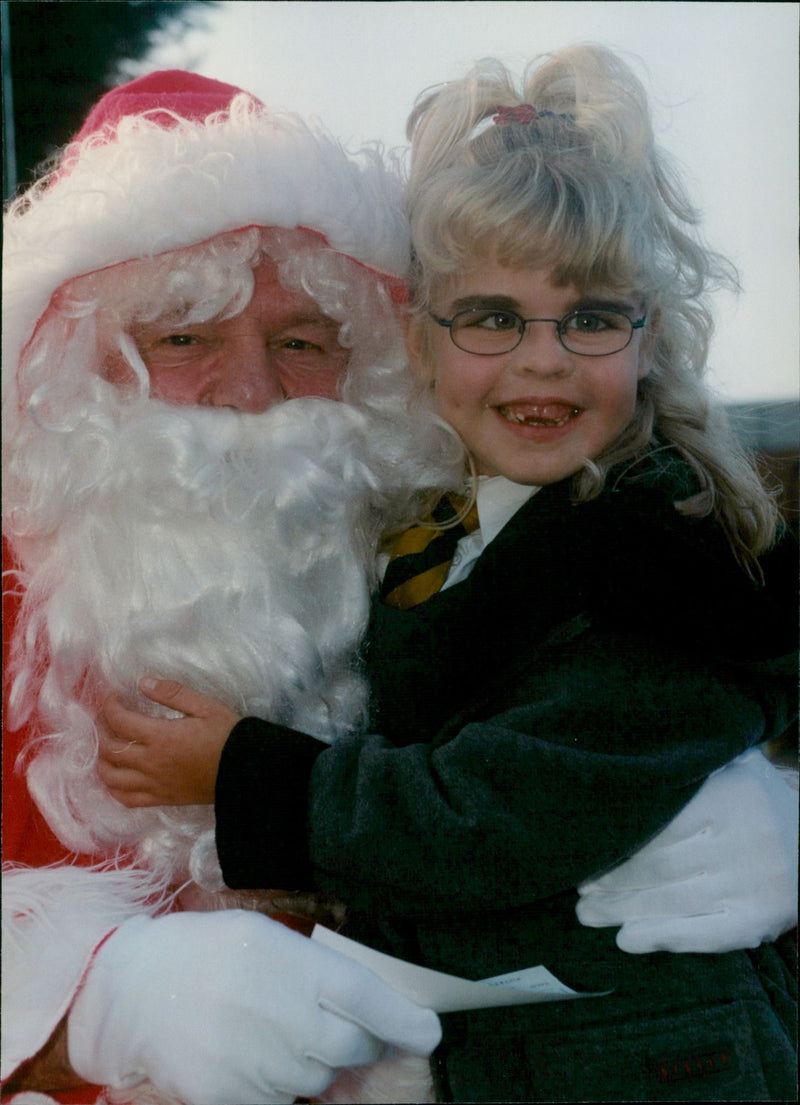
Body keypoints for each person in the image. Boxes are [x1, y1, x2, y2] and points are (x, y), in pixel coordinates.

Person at [97, 47, 798, 1103]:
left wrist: (245, 776)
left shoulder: (662, 559)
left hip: (655, 1057)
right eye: (490, 316)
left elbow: (494, 814)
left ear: (649, 339)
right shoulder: (434, 521)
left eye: (592, 317)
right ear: (416, 338)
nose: (541, 358)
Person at [2, 69, 451, 1105]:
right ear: (74, 371)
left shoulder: (421, 576)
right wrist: (90, 1003)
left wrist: (680, 798)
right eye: (184, 339)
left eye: (299, 343)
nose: (250, 396)